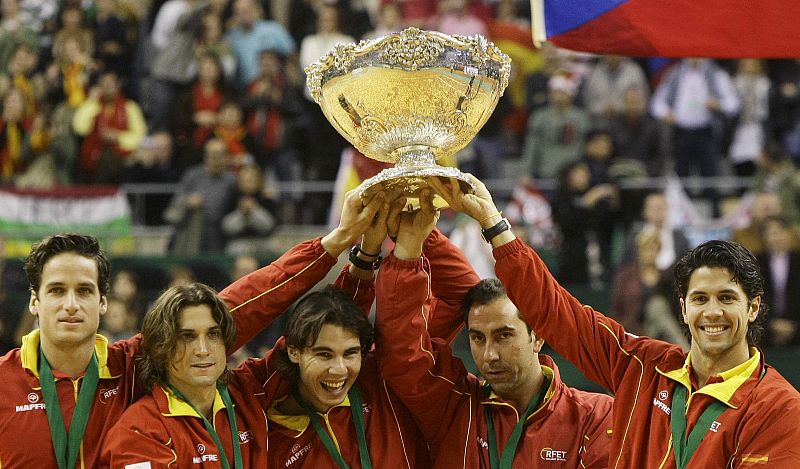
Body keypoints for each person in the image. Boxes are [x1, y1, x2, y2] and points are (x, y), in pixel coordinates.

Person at [0, 183, 387, 468]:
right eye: (56, 290)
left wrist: (339, 244)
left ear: (103, 301)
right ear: (34, 300)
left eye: (84, 291)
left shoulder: (129, 366)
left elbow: (246, 304)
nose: (70, 305)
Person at [430, 174, 800, 468]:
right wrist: (494, 224)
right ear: (683, 308)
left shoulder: (779, 407)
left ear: (753, 307)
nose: (712, 312)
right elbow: (555, 311)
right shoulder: (644, 366)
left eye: (727, 298)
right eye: (700, 299)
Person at [374, 189, 613, 468]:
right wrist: (417, 237)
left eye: (504, 335)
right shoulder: (454, 405)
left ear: (537, 336)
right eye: (478, 338)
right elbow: (402, 352)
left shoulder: (594, 415)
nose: (490, 355)